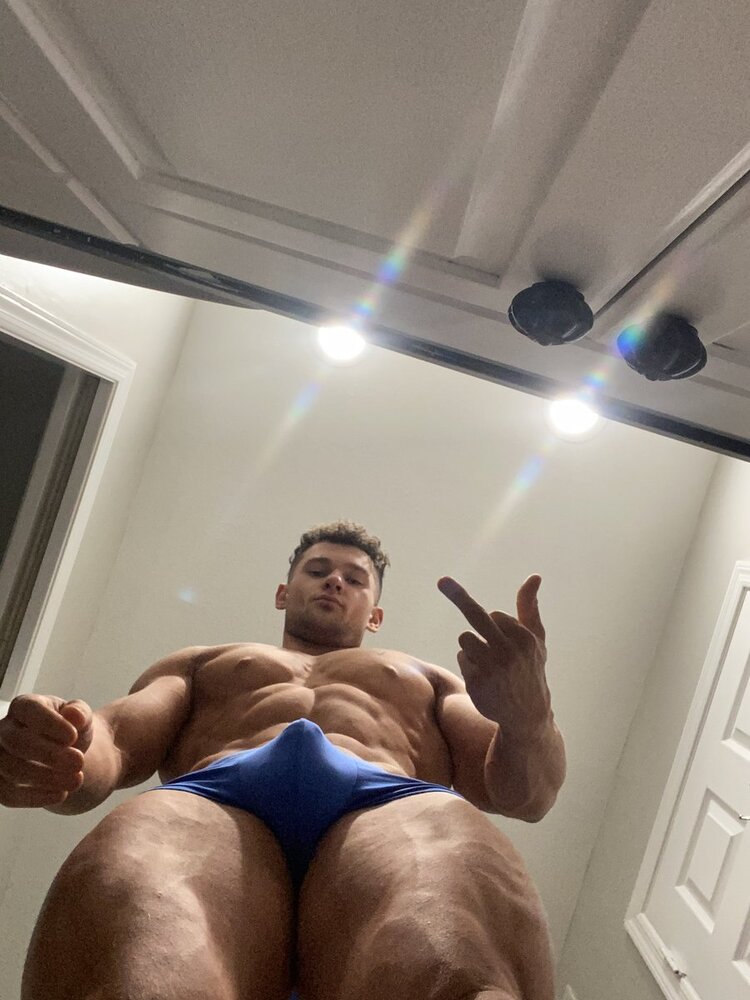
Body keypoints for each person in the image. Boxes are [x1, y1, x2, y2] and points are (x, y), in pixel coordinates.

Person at [1, 521, 566, 1000]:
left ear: (375, 616)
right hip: (212, 801)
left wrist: (530, 720)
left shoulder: (427, 677)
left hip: (392, 804)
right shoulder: (205, 661)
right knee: (142, 977)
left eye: (355, 578)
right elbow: (117, 739)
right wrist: (62, 747)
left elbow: (525, 795)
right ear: (282, 593)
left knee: (457, 978)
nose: (335, 580)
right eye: (317, 570)